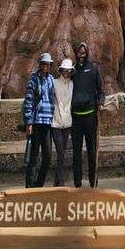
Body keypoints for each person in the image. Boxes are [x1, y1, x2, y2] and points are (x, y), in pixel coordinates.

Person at [71, 41, 104, 188]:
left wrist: (101, 101)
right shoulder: (72, 70)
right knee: (76, 152)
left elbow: (100, 90)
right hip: (76, 117)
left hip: (90, 116)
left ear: (88, 53)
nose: (81, 55)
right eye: (79, 53)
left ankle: (93, 182)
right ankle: (77, 183)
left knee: (91, 150)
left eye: (84, 53)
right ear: (76, 54)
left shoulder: (93, 69)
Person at [23, 51, 55, 188]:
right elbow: (29, 101)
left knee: (47, 156)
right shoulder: (33, 79)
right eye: (44, 64)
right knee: (33, 156)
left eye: (48, 64)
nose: (46, 66)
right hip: (36, 122)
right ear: (41, 65)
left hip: (48, 123)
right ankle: (29, 186)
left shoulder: (51, 79)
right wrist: (29, 122)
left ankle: (39, 184)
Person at [52, 56, 74, 185]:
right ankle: (61, 182)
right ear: (61, 70)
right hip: (55, 122)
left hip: (68, 123)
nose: (66, 72)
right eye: (64, 69)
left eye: (69, 70)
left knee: (62, 152)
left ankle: (57, 182)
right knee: (60, 151)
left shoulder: (72, 84)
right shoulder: (54, 82)